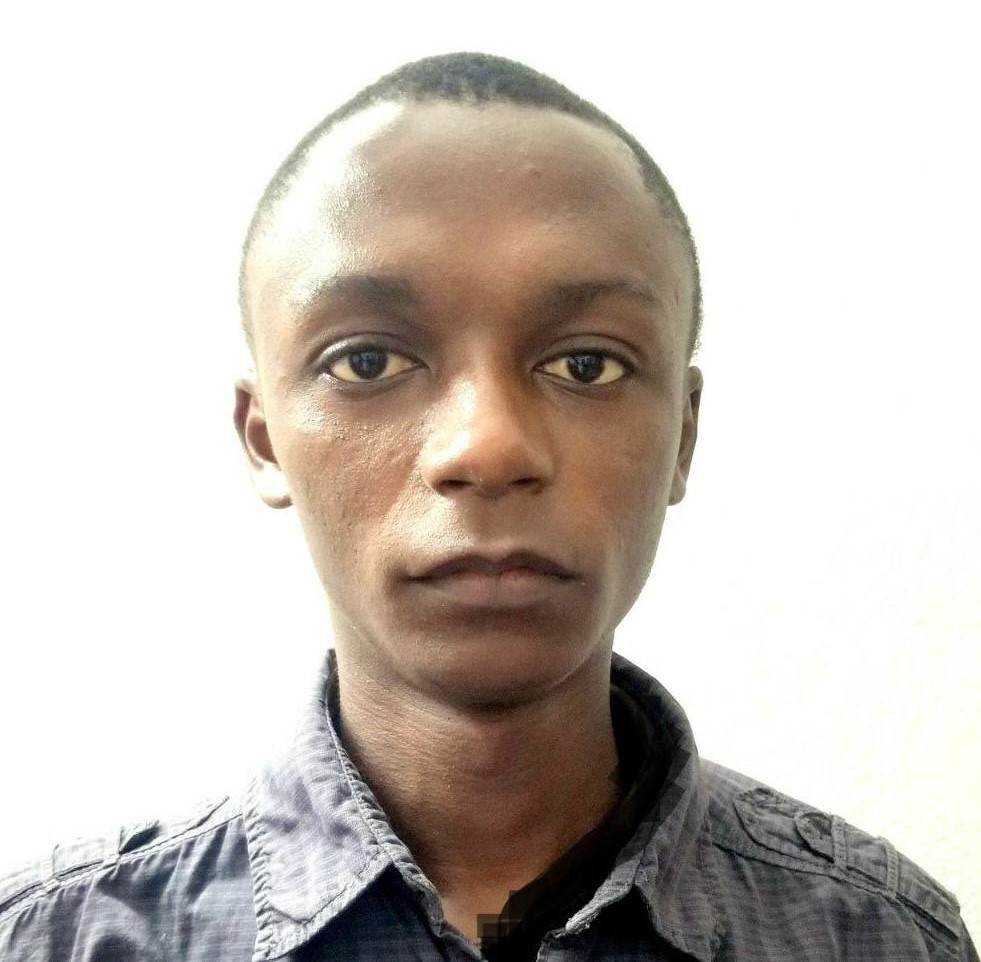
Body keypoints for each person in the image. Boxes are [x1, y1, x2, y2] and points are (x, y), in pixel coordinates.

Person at [0, 51, 975, 962]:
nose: (487, 446)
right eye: (367, 361)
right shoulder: (53, 941)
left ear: (681, 435)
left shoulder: (883, 937)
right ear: (264, 439)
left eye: (586, 364)